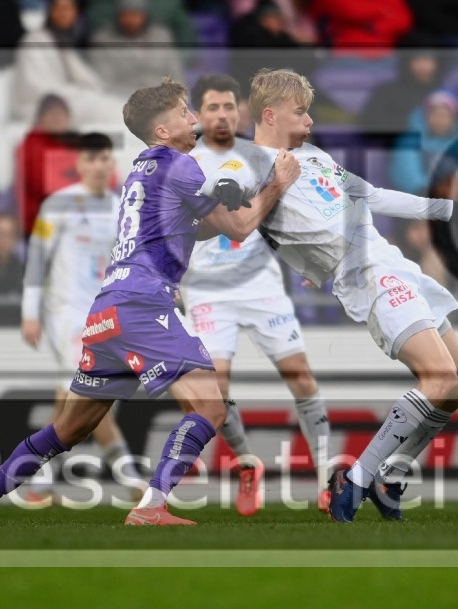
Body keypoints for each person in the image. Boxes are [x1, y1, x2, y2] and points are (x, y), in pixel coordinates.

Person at [0, 78, 300, 526]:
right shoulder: (179, 164)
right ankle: (151, 506)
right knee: (210, 408)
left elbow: (198, 226)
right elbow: (237, 228)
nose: (194, 118)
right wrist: (277, 184)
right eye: (184, 112)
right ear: (161, 130)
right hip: (143, 306)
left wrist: (243, 197)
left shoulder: (142, 170)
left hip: (106, 311)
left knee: (68, 429)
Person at [202, 69, 458, 522]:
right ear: (270, 115)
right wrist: (226, 190)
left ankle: (390, 475)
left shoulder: (313, 155)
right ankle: (356, 479)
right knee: (438, 378)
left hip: (393, 261)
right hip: (367, 273)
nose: (310, 121)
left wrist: (449, 209)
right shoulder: (252, 161)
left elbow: (371, 196)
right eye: (300, 112)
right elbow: (229, 190)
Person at [183, 74, 331, 515]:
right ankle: (248, 462)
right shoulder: (185, 164)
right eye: (213, 107)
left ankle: (327, 476)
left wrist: (312, 260)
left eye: (229, 106)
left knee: (300, 375)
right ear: (198, 115)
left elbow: (297, 214)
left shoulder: (264, 156)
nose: (223, 115)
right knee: (216, 389)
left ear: (242, 111)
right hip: (207, 289)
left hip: (261, 284)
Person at [20, 132, 144, 504]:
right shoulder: (58, 205)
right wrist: (30, 313)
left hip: (104, 317)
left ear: (112, 163)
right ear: (78, 164)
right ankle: (133, 481)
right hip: (66, 315)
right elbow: (37, 260)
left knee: (70, 405)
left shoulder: (120, 207)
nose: (98, 166)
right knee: (92, 397)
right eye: (91, 159)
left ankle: (36, 480)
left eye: (104, 158)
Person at [10, 0, 124, 125]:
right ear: (50, 12)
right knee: (104, 109)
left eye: (68, 9)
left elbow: (87, 80)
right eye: (59, 9)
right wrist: (77, 93)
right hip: (39, 106)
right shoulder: (35, 39)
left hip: (67, 99)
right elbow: (35, 87)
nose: (63, 13)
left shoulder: (62, 42)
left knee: (112, 104)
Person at [15, 94, 81, 240]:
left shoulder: (76, 143)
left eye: (61, 114)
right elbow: (44, 184)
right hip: (39, 222)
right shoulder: (30, 145)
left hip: (75, 220)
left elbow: (104, 178)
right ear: (40, 118)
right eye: (52, 114)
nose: (57, 118)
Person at [89, 0, 184, 96]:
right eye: (125, 15)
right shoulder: (102, 40)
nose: (130, 20)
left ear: (145, 15)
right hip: (120, 97)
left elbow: (175, 74)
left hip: (160, 96)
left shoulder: (162, 36)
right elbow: (103, 83)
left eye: (135, 14)